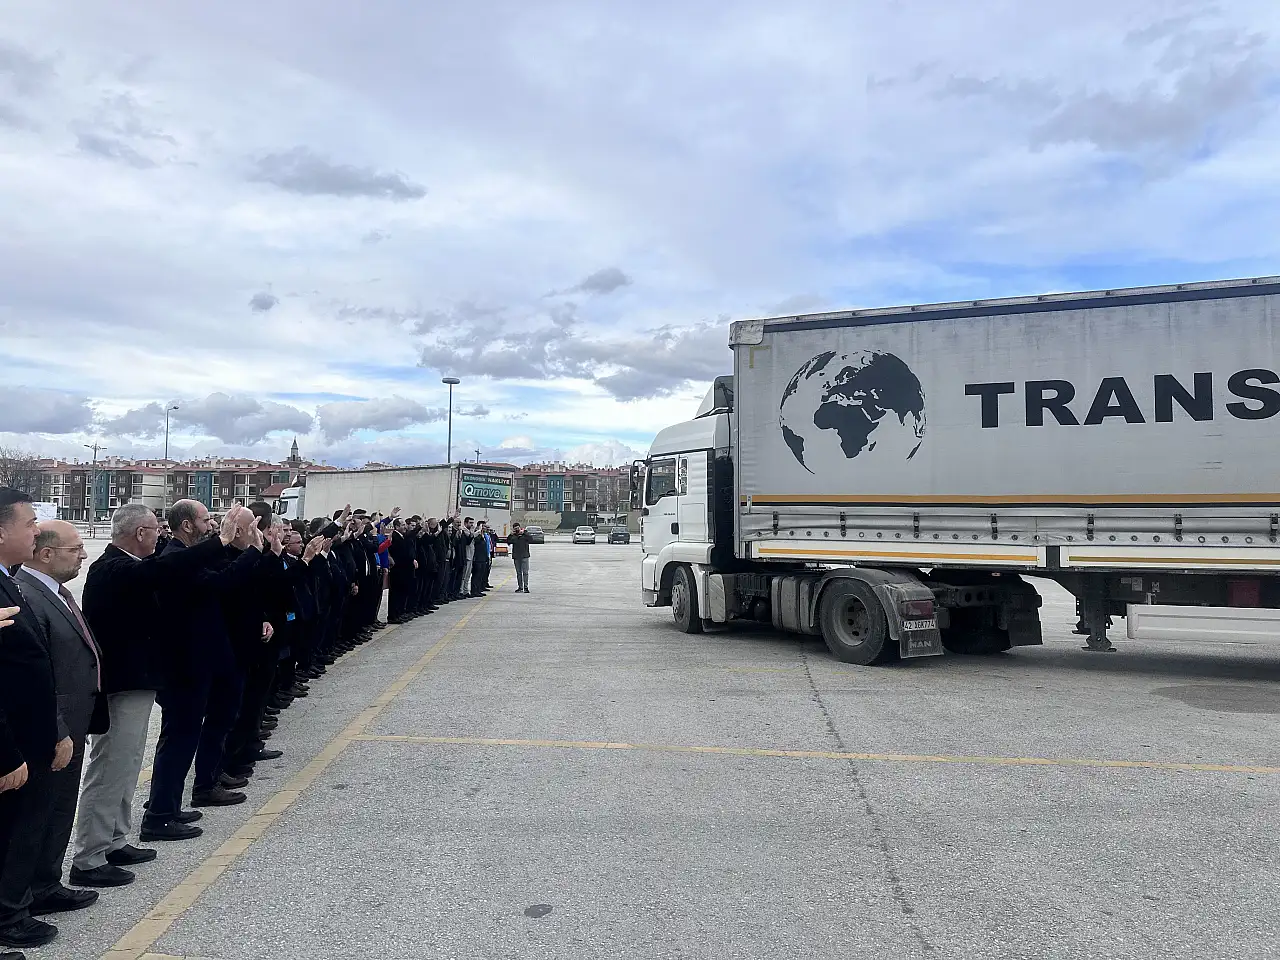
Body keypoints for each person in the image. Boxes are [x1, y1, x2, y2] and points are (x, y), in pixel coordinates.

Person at [72, 503, 229, 887]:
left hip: (140, 681)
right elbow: (161, 572)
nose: (160, 535)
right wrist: (221, 541)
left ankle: (114, 840)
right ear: (140, 533)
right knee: (110, 768)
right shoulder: (112, 567)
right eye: (155, 530)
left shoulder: (132, 567)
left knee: (126, 768)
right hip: (122, 684)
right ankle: (89, 857)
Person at [141, 501, 259, 842]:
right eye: (207, 520)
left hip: (199, 661)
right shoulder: (176, 557)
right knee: (178, 740)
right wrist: (246, 548)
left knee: (184, 737)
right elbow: (221, 584)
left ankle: (167, 806)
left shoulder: (191, 555)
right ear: (188, 525)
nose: (212, 525)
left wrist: (245, 545)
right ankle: (160, 815)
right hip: (184, 665)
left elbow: (224, 580)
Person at [9, 522, 100, 920]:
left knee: (59, 807)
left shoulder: (52, 592)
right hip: (50, 725)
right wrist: (59, 728)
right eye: (75, 548)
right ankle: (22, 896)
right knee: (35, 815)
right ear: (47, 555)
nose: (82, 554)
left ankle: (46, 883)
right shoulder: (26, 593)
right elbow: (37, 670)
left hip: (71, 720)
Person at [0, 489, 64, 952]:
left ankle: (14, 909)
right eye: (29, 523)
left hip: (29, 736)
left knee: (22, 830)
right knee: (10, 835)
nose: (36, 530)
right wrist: (6, 752)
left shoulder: (10, 580)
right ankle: (8, 916)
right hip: (13, 741)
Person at [509, 522, 532, 593]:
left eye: (518, 528)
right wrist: (511, 535)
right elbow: (508, 542)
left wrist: (524, 533)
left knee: (525, 572)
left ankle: (526, 587)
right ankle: (520, 587)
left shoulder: (525, 534)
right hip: (516, 557)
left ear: (520, 527)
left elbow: (531, 539)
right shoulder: (513, 536)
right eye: (515, 529)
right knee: (518, 573)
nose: (517, 530)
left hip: (525, 556)